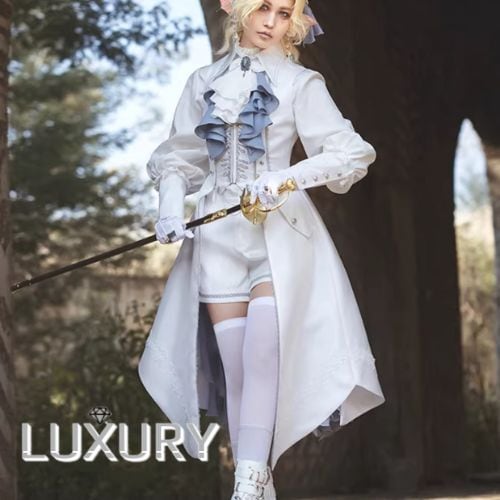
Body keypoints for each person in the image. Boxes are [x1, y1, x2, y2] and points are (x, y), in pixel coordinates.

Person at [138, 0, 386, 498]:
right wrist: (168, 209)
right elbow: (179, 158)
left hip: (280, 238)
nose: (272, 22)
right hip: (217, 239)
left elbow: (350, 152)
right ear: (236, 7)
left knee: (262, 355)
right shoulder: (202, 82)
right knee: (237, 371)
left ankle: (248, 481)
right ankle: (256, 483)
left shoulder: (300, 83)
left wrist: (287, 178)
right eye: (263, 8)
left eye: (285, 11)